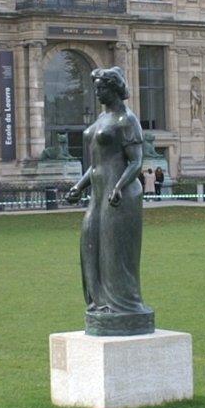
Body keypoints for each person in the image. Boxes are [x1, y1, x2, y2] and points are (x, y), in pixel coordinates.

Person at [66, 68, 153, 335]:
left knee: (115, 252)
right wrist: (79, 187)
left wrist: (118, 187)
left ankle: (124, 305)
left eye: (102, 87)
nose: (97, 92)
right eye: (96, 87)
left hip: (120, 196)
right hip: (99, 193)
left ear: (114, 89)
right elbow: (95, 166)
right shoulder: (102, 119)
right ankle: (100, 303)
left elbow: (136, 162)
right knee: (90, 245)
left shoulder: (127, 120)